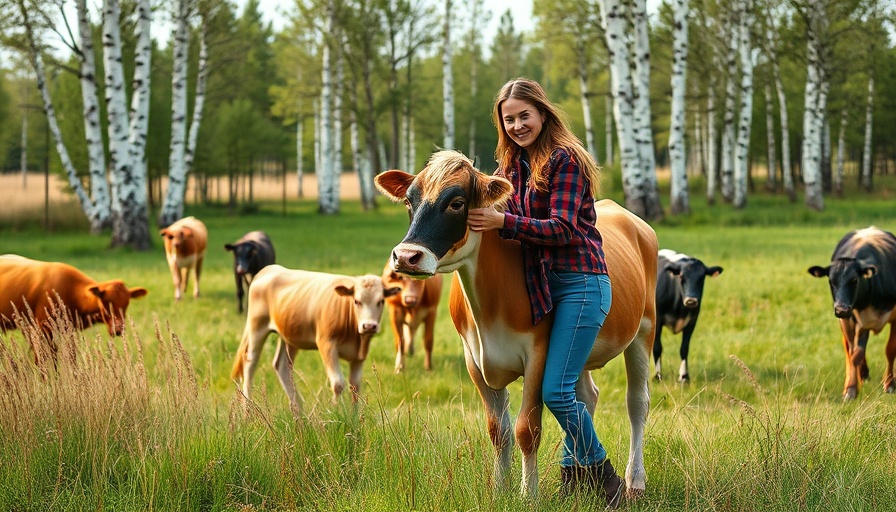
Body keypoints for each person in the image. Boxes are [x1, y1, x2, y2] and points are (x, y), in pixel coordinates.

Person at [467, 78, 624, 508]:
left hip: (579, 281)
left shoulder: (565, 159)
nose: (517, 125)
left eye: (524, 116)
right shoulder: (510, 166)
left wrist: (504, 224)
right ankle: (575, 480)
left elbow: (563, 228)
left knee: (556, 392)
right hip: (538, 287)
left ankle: (609, 481)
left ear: (542, 113)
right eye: (509, 118)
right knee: (563, 387)